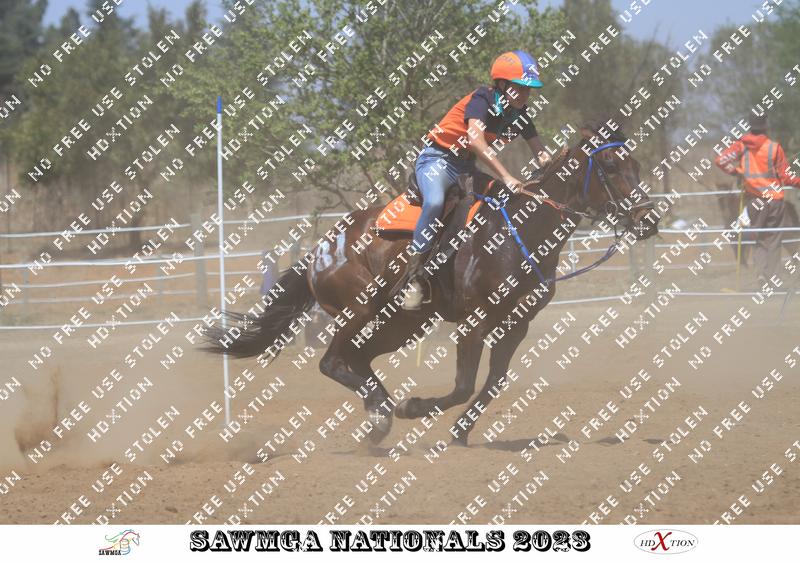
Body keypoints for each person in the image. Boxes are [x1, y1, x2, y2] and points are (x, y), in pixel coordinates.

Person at [403, 50, 552, 310]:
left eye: (528, 89)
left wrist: (548, 160)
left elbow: (539, 150)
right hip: (437, 160)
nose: (525, 94)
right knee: (435, 202)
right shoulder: (482, 99)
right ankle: (413, 279)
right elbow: (475, 141)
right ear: (502, 84)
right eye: (520, 88)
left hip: (465, 167)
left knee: (503, 202)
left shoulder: (520, 113)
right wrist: (506, 175)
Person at [714, 112, 800, 287]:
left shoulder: (740, 146)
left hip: (754, 201)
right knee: (773, 240)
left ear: (750, 126)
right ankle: (771, 280)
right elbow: (786, 177)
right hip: (774, 200)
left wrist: (737, 172)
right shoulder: (774, 148)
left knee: (759, 239)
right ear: (766, 126)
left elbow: (720, 160)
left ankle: (761, 275)